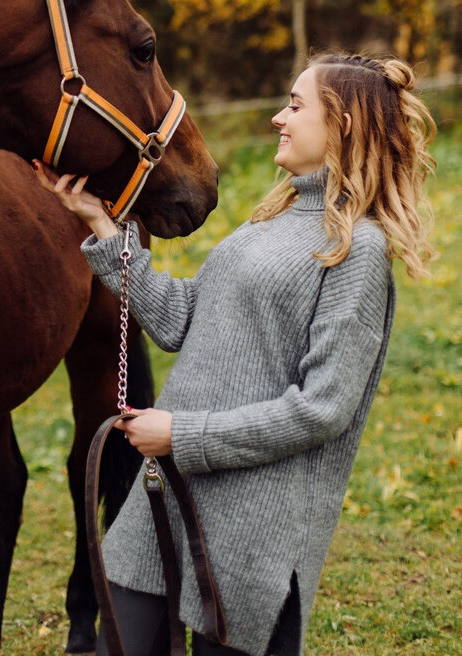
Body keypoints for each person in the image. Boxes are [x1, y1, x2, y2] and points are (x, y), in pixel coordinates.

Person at [33, 53, 436, 656]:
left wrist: (182, 436)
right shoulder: (270, 220)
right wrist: (105, 226)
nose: (279, 117)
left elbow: (323, 409)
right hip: (168, 501)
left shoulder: (359, 252)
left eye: (296, 106)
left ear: (343, 125)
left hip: (252, 529)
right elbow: (181, 321)